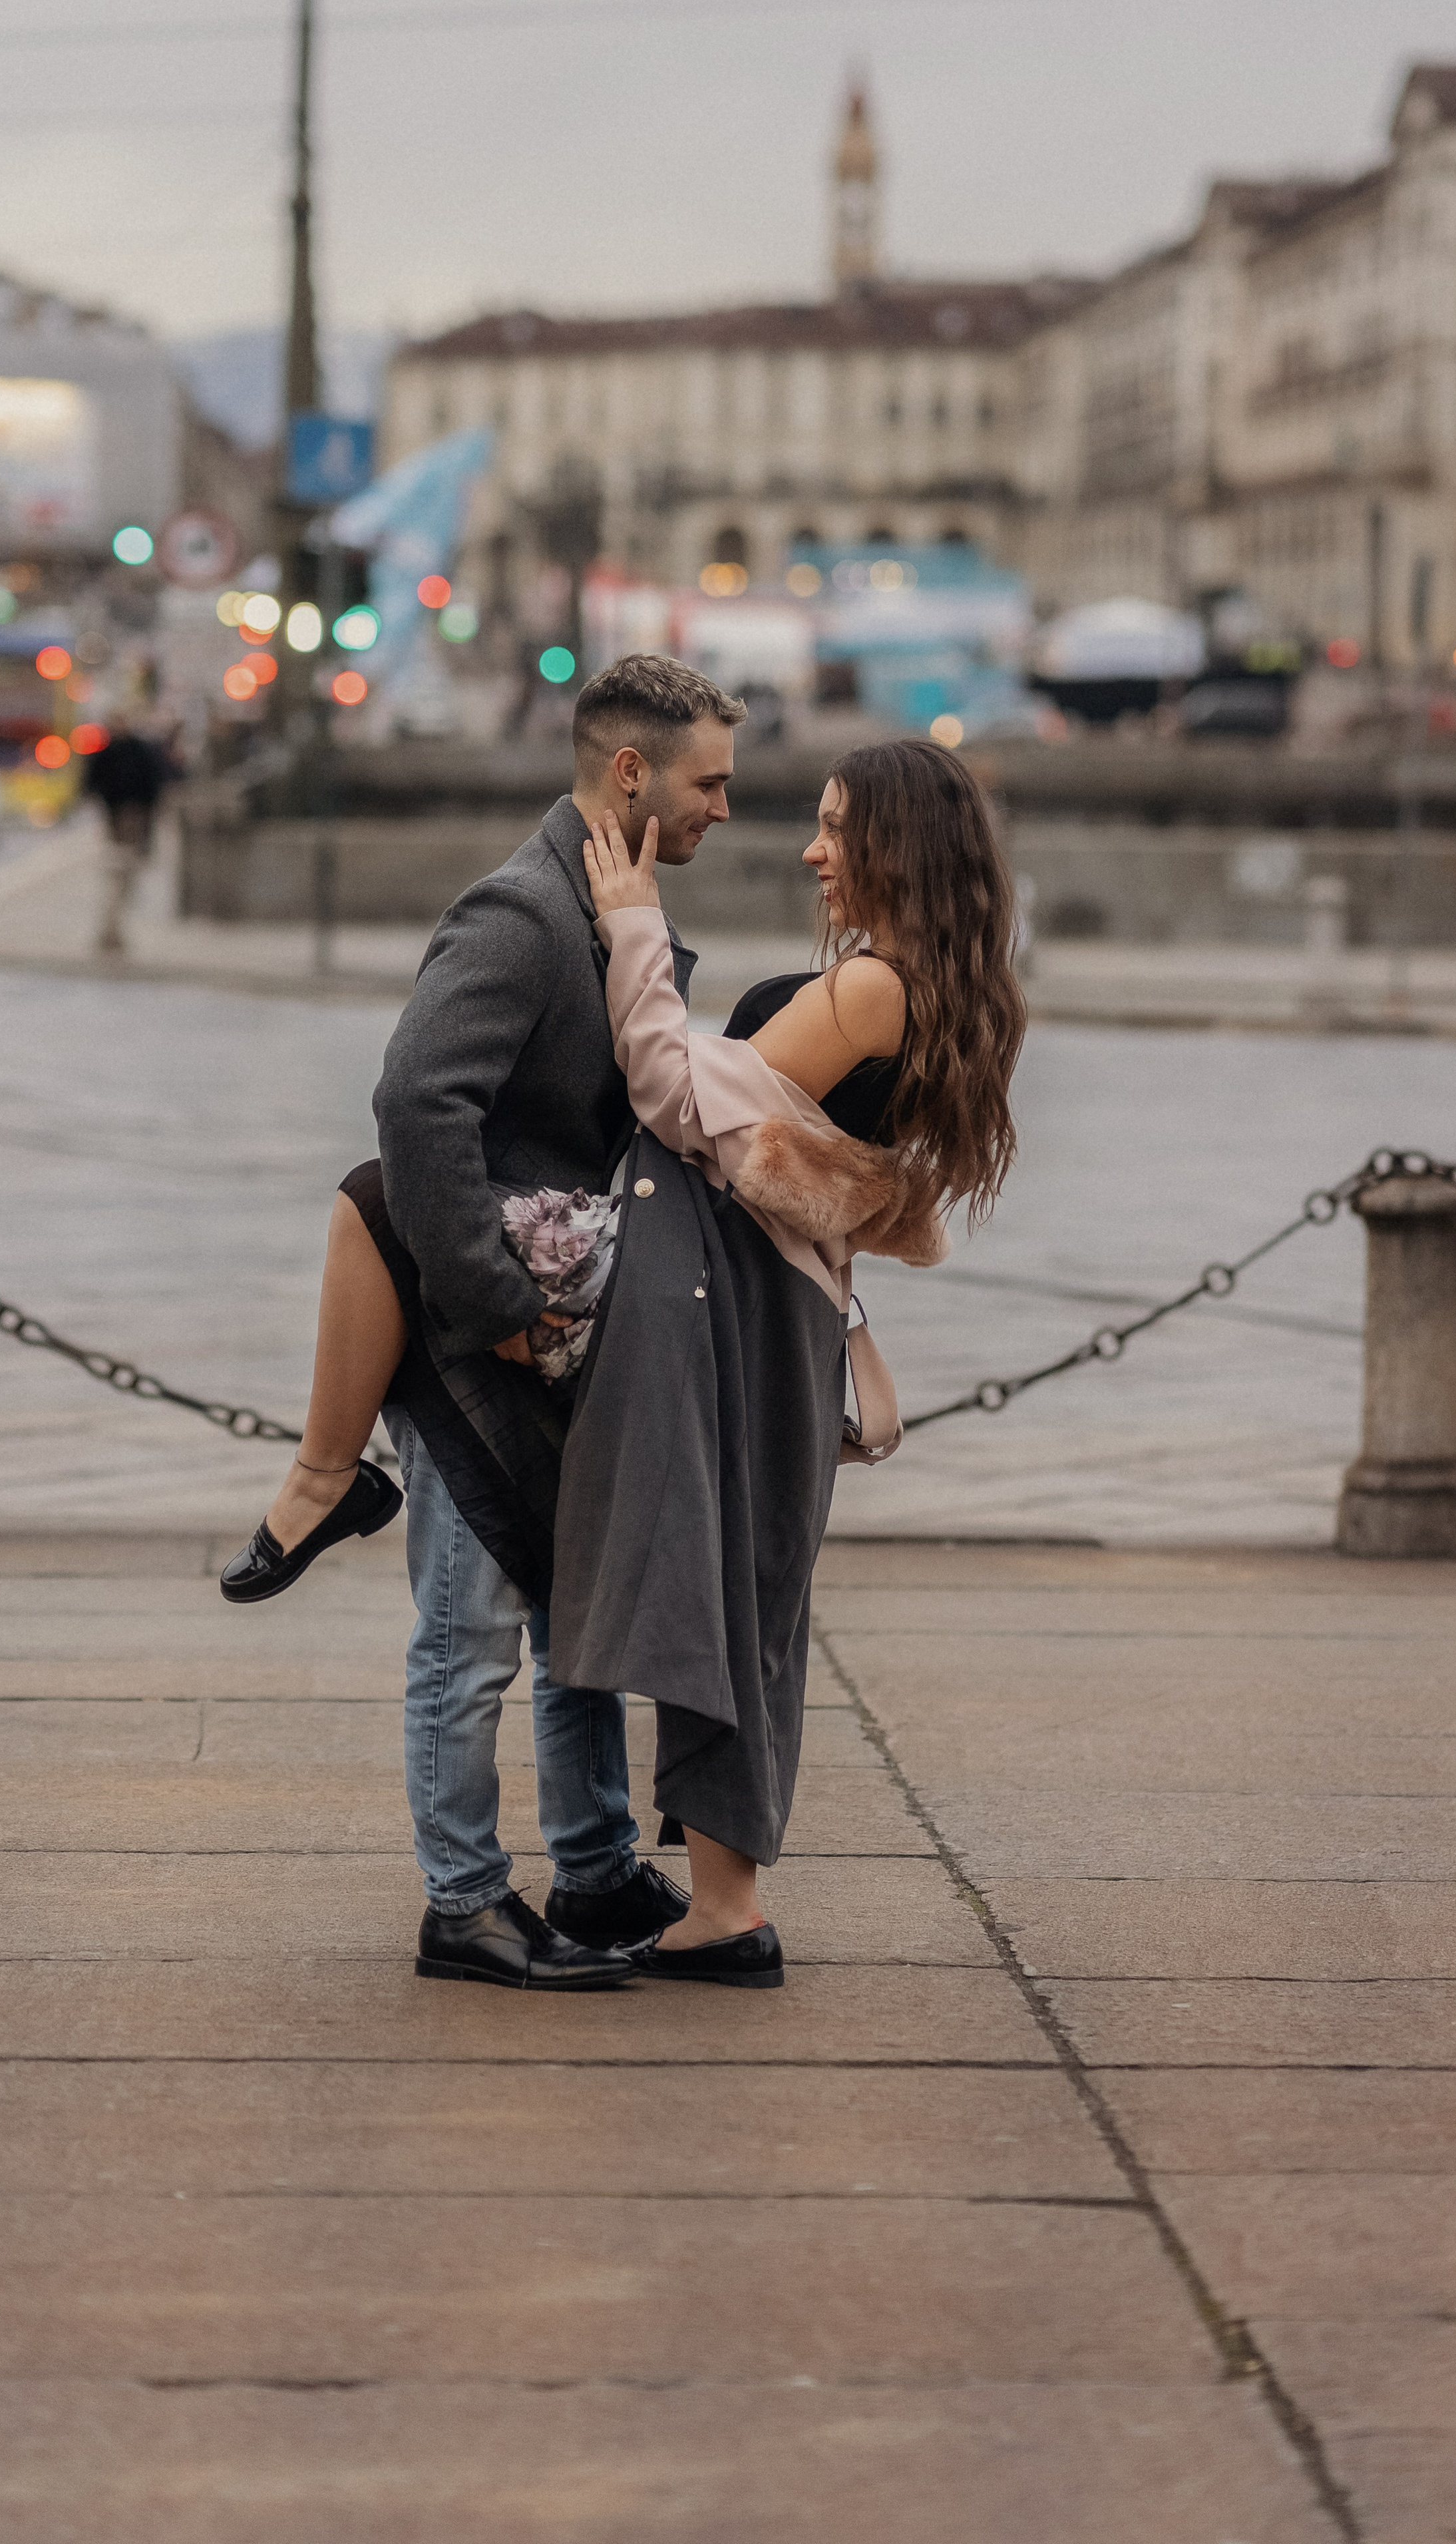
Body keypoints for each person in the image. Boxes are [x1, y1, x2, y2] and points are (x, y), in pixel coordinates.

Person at [222, 656, 748, 1992]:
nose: (723, 811)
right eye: (708, 784)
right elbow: (412, 1111)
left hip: (561, 1339)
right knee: (467, 1639)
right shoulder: (518, 915)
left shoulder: (601, 908)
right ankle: (460, 1902)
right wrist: (497, 1306)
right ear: (629, 775)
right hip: (481, 1349)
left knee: (578, 1618)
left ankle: (588, 1865)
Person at [553, 742, 1023, 1987]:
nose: (813, 850)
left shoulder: (876, 987)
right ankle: (720, 1900)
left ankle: (726, 1911)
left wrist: (632, 923)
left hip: (741, 1303)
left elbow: (672, 1088)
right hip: (772, 1298)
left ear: (897, 847)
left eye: (834, 828)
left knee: (729, 1592)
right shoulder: (934, 982)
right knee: (746, 1589)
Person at [82, 712, 166, 956]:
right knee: (118, 877)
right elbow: (93, 783)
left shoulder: (139, 751)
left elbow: (153, 785)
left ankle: (113, 930)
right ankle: (111, 931)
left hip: (133, 820)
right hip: (116, 822)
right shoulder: (109, 753)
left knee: (124, 878)